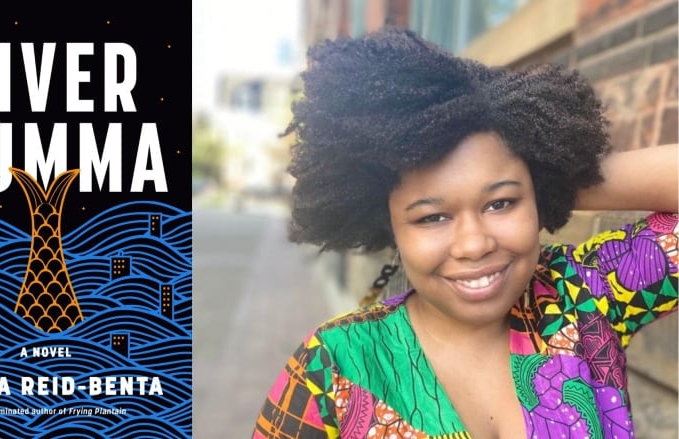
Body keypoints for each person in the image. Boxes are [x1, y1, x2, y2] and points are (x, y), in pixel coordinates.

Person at [252, 28, 678, 439]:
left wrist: (558, 171)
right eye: (432, 217)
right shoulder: (332, 368)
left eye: (501, 203)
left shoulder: (586, 294)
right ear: (390, 225)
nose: (474, 244)